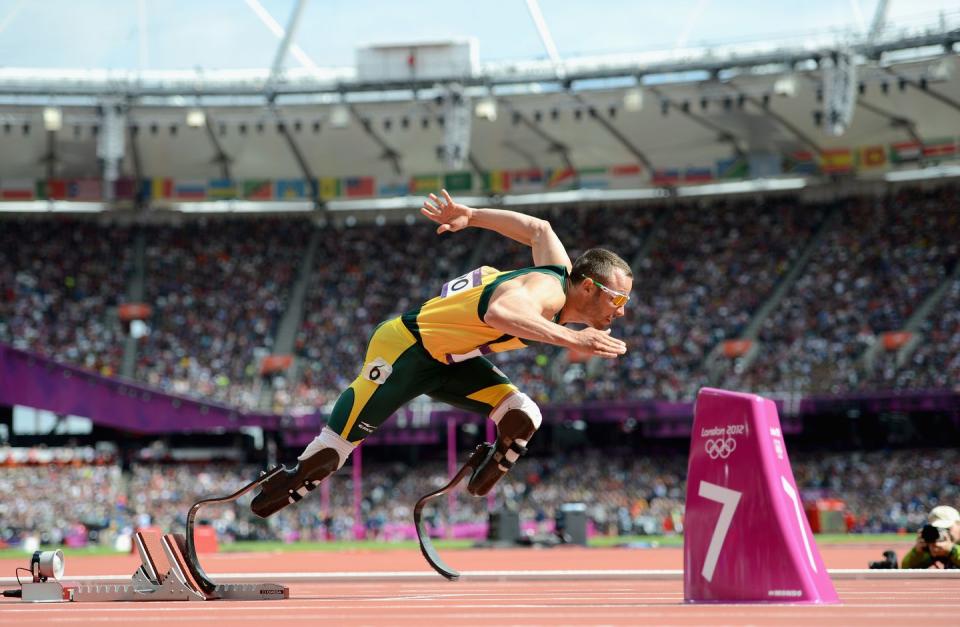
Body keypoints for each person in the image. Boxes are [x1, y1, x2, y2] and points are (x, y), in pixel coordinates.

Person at [251, 190, 632, 517]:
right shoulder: (546, 290)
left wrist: (473, 216)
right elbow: (501, 313)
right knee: (334, 450)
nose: (621, 309)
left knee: (523, 414)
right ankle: (290, 478)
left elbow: (539, 229)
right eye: (617, 298)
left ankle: (487, 467)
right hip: (406, 348)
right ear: (586, 288)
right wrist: (573, 341)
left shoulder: (560, 275)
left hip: (451, 360)